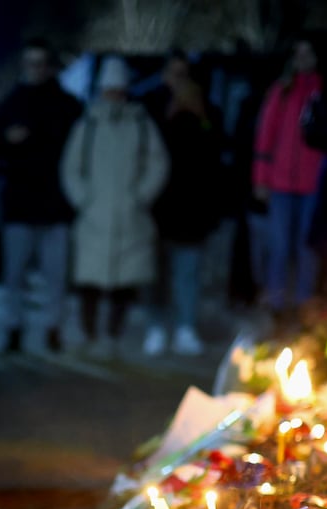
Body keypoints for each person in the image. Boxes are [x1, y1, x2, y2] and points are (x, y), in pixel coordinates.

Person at [60, 55, 168, 359]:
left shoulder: (141, 123)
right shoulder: (88, 123)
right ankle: (89, 332)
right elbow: (71, 167)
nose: (114, 96)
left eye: (118, 90)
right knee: (89, 282)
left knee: (124, 283)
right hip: (95, 215)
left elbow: (158, 163)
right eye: (109, 90)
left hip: (129, 215)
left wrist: (141, 196)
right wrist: (84, 199)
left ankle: (113, 334)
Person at [0, 38, 82, 354]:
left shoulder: (68, 104)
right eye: (31, 63)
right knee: (14, 275)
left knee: (55, 277)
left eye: (41, 63)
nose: (36, 69)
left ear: (50, 66)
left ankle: (53, 328)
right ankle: (13, 329)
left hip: (56, 204)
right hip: (19, 203)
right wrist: (7, 140)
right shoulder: (11, 102)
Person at [143, 51, 222, 358]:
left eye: (184, 74)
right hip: (157, 207)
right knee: (155, 273)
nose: (180, 81)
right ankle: (156, 327)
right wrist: (170, 112)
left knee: (187, 273)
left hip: (192, 209)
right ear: (165, 76)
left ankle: (185, 328)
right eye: (174, 74)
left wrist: (200, 115)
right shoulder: (152, 107)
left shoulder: (207, 111)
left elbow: (215, 149)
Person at [250, 38, 324, 321]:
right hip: (281, 183)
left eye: (309, 52)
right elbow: (265, 136)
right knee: (279, 246)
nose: (303, 58)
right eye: (298, 53)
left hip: (312, 183)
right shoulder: (282, 91)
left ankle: (304, 305)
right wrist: (261, 178)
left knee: (306, 248)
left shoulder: (321, 89)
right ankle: (276, 305)